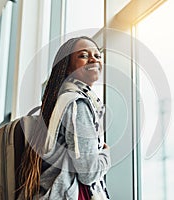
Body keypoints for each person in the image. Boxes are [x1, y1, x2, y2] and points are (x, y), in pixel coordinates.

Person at [17, 36, 111, 200]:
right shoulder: (77, 104)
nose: (93, 59)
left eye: (97, 55)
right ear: (68, 67)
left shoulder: (59, 100)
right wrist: (105, 155)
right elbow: (88, 173)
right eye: (83, 55)